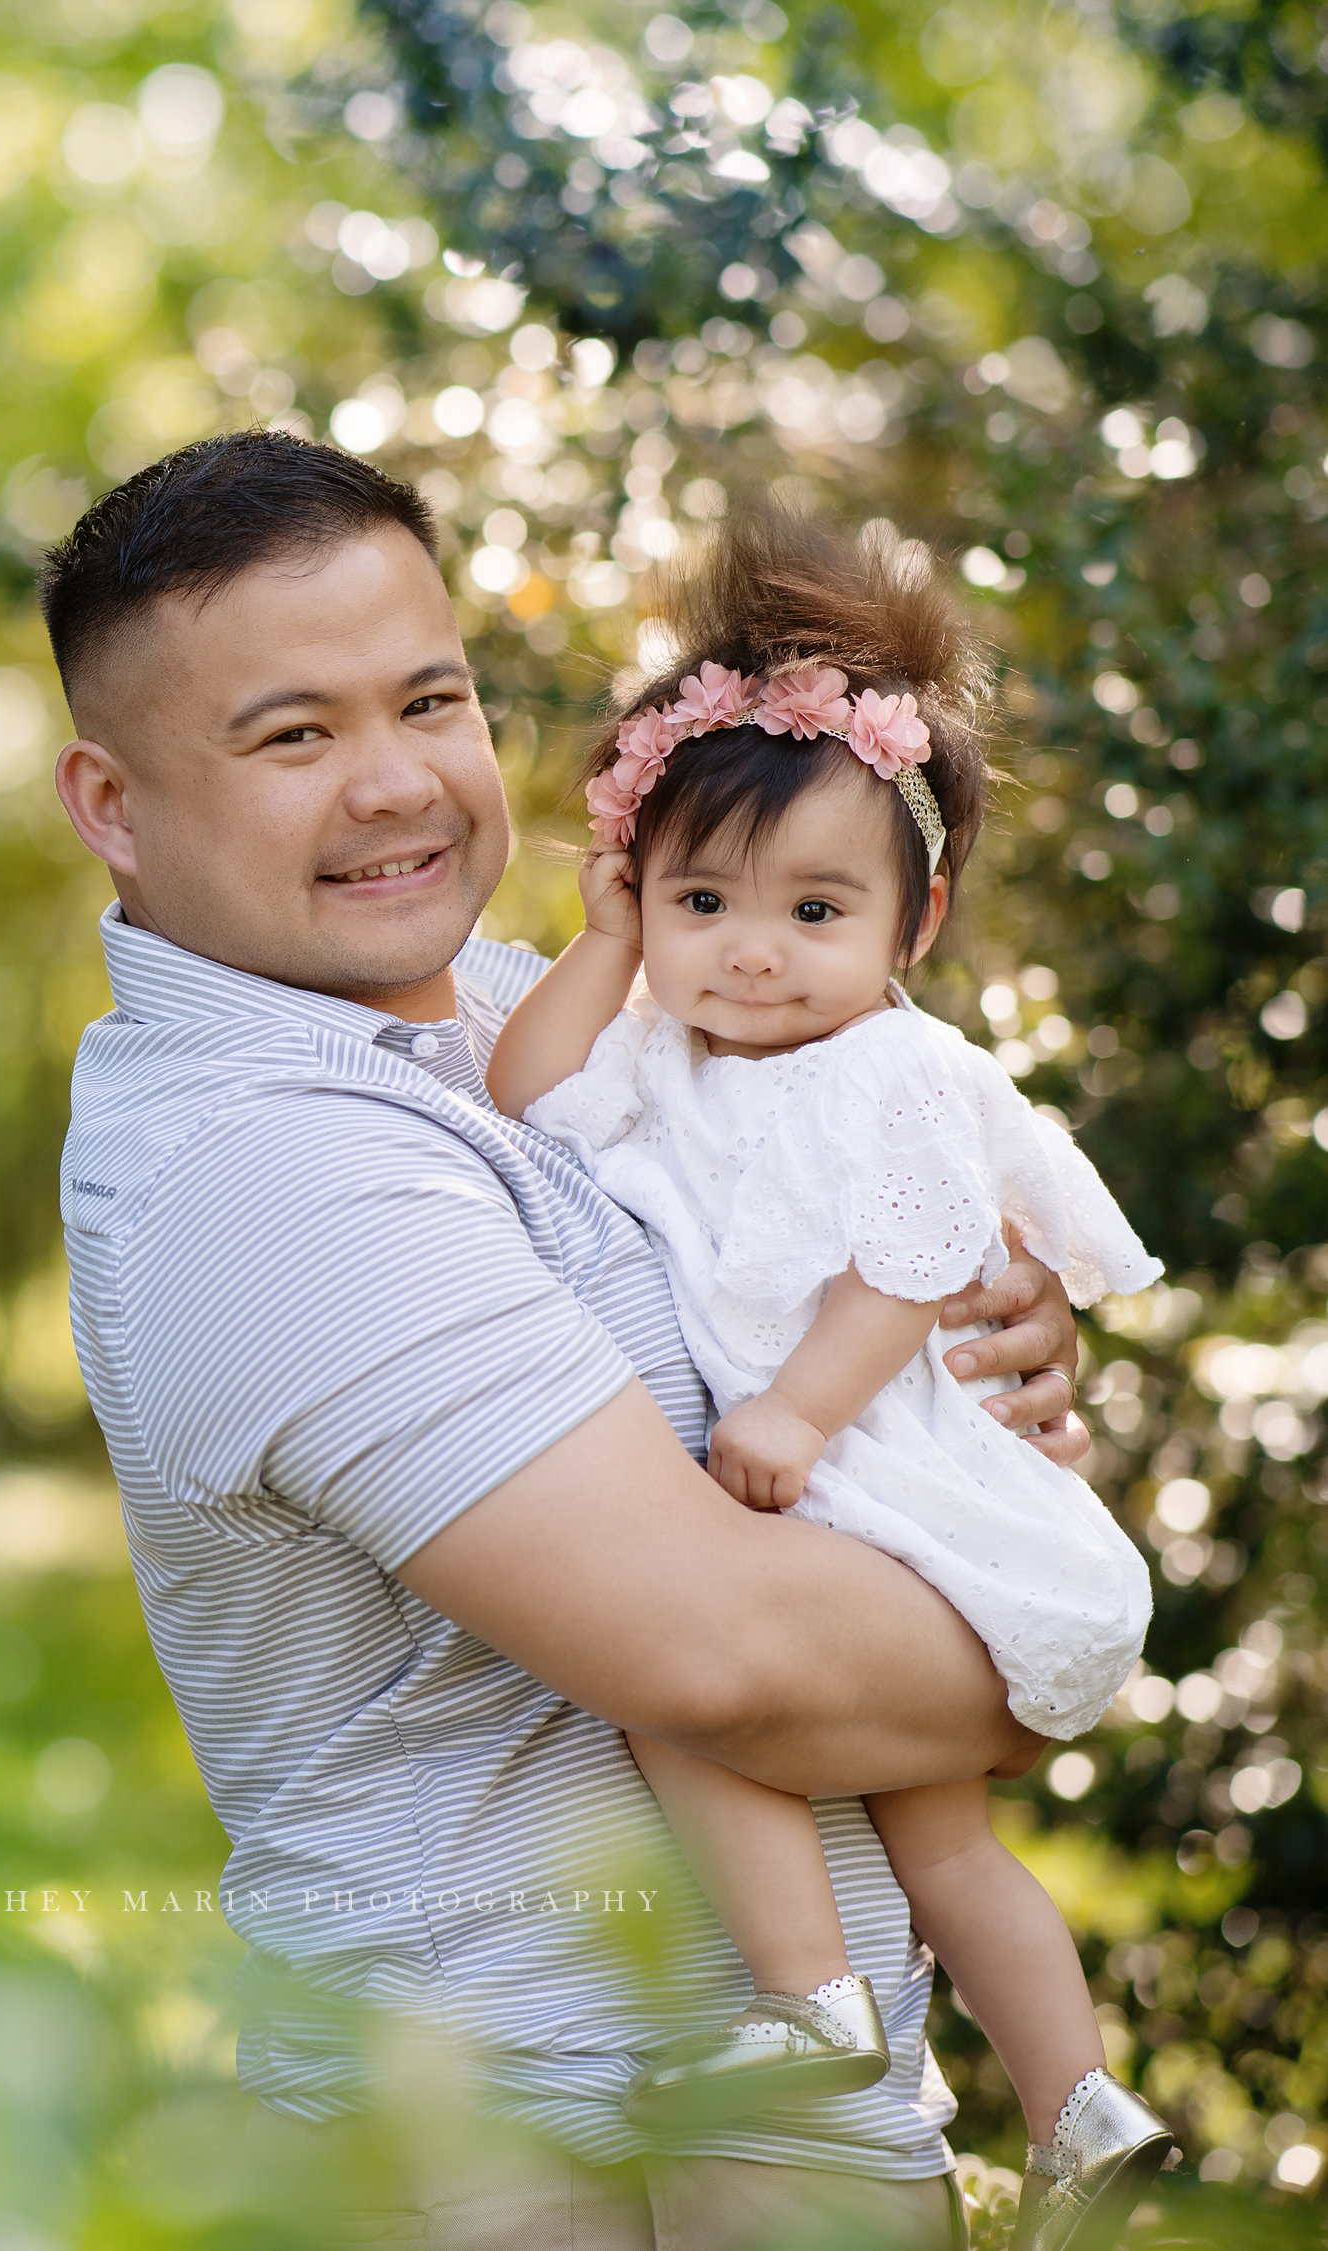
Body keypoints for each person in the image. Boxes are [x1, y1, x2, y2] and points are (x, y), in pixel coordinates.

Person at [44, 428, 1096, 2250]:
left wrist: (971, 1358)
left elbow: (856, 1315)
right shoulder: (258, 1167)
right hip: (519, 2150)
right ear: (114, 803)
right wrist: (1070, 1616)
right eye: (294, 735)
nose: (398, 786)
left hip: (787, 2120)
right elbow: (729, 1659)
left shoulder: (553, 1015)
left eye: (430, 699)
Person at [486, 514, 1176, 2249]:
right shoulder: (665, 1050)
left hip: (887, 1479)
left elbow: (918, 1260)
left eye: (815, 908)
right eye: (702, 902)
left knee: (688, 1700)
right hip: (841, 1501)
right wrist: (605, 942)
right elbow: (519, 1090)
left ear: (914, 920)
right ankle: (1074, 2109)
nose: (755, 950)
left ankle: (857, 2017)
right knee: (936, 1846)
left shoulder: (895, 1069)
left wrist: (790, 1410)